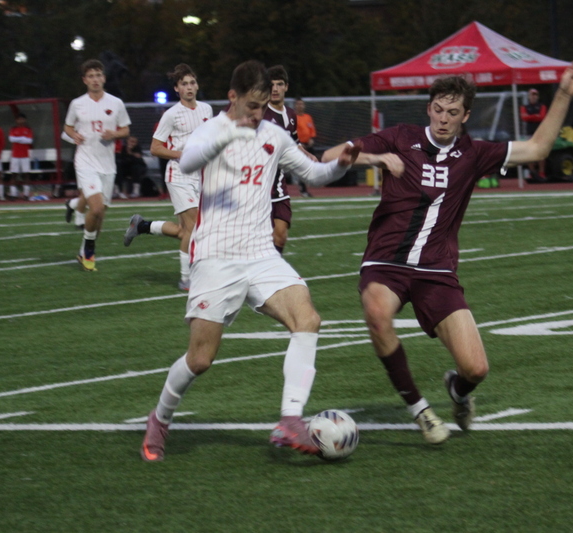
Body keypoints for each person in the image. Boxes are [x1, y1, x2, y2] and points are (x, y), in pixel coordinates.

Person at [322, 59, 573, 444]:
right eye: (438, 109)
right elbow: (331, 155)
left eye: (452, 113)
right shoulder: (399, 137)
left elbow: (539, 148)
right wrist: (374, 157)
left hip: (436, 271)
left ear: (465, 116)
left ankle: (457, 392)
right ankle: (420, 410)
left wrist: (563, 92)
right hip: (386, 261)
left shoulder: (474, 152)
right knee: (377, 314)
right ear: (428, 108)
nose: (443, 119)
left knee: (476, 368)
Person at [139, 60, 361, 462]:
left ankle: (290, 420)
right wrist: (223, 139)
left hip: (260, 253)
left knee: (307, 320)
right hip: (216, 257)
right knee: (200, 359)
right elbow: (186, 162)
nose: (259, 114)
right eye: (253, 106)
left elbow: (312, 172)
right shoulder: (211, 130)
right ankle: (160, 418)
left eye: (264, 106)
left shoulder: (273, 134)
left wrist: (339, 166)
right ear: (233, 97)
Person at [124, 63, 213, 291]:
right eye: (184, 84)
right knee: (194, 228)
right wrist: (181, 154)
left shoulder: (206, 110)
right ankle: (186, 279)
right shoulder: (171, 115)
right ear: (177, 89)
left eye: (192, 82)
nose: (189, 87)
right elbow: (155, 148)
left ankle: (142, 226)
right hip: (179, 175)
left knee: (185, 231)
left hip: (201, 176)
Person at [64, 59, 131, 271]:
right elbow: (67, 127)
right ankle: (90, 250)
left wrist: (115, 133)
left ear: (104, 78)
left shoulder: (116, 103)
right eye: (91, 76)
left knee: (100, 213)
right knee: (96, 207)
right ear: (85, 80)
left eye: (99, 75)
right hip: (85, 161)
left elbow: (125, 130)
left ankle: (85, 249)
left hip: (107, 164)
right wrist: (72, 134)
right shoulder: (77, 104)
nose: (95, 79)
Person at [520, 88, 547, 179]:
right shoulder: (524, 107)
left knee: (541, 153)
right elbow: (524, 117)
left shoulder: (541, 106)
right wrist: (536, 116)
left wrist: (531, 117)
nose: (533, 96)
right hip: (529, 132)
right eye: (532, 94)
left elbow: (542, 116)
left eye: (535, 95)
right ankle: (532, 172)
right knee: (529, 153)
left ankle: (541, 172)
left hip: (540, 132)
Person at [8, 113, 33, 199]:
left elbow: (29, 141)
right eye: (19, 119)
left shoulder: (28, 129)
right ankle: (13, 194)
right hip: (15, 155)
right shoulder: (13, 129)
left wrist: (18, 139)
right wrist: (23, 138)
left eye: (22, 119)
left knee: (26, 174)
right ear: (16, 120)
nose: (20, 121)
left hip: (25, 156)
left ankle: (26, 194)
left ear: (25, 120)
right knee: (14, 174)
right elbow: (11, 139)